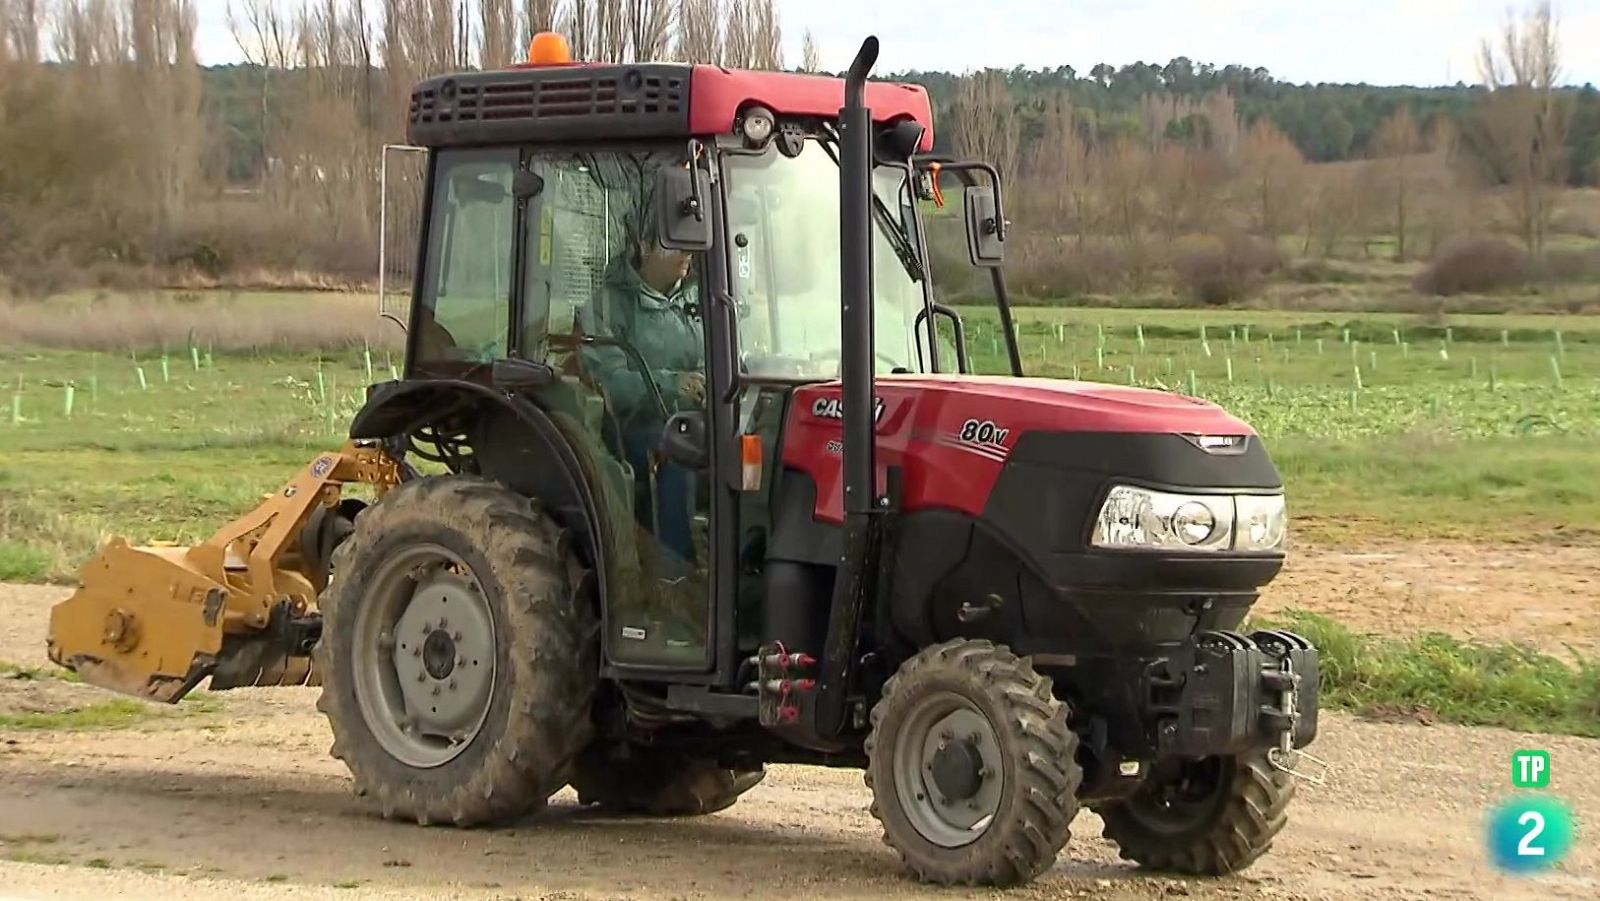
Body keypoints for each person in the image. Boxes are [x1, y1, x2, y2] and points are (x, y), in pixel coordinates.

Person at [579, 222, 706, 576]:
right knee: (676, 453)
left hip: (697, 420)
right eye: (676, 241)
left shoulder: (698, 303)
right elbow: (611, 384)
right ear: (644, 245)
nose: (688, 250)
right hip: (628, 429)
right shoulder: (607, 307)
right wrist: (673, 384)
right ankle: (676, 578)